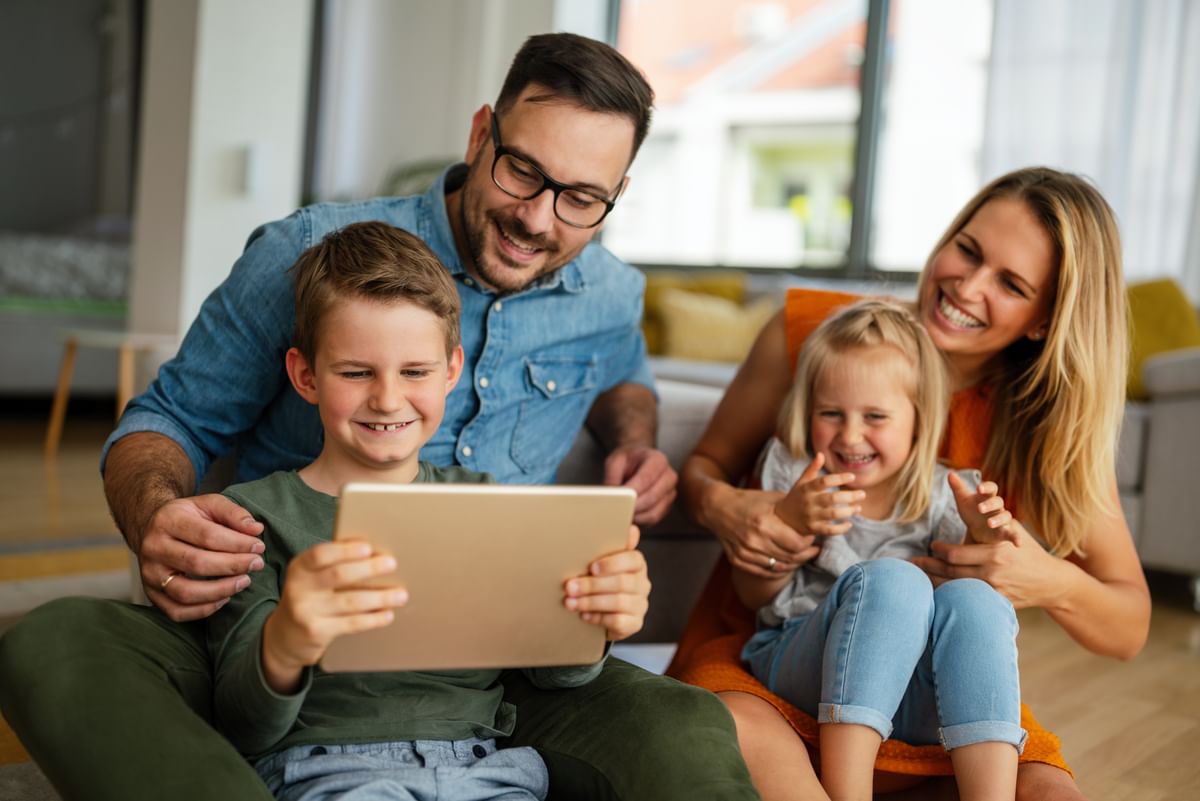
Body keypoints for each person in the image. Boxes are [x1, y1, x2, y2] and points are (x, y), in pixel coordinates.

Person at [0, 33, 759, 801]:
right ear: (479, 134)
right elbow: (171, 418)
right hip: (275, 642)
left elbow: (623, 372)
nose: (536, 217)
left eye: (581, 198)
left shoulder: (606, 292)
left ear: (614, 195)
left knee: (683, 721)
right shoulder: (305, 255)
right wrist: (156, 515)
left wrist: (637, 443)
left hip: (493, 674)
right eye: (522, 170)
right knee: (54, 642)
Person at [670, 166, 1151, 801]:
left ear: (1044, 319)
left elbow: (1129, 626)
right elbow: (703, 466)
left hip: (930, 687)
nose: (967, 286)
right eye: (968, 250)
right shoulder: (818, 336)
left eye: (1010, 283)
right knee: (758, 722)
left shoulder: (1045, 424)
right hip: (775, 664)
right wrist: (726, 504)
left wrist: (1044, 578)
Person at [209, 220, 651, 800]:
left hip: (487, 769)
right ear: (305, 375)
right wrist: (286, 639)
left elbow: (556, 675)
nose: (388, 398)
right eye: (356, 372)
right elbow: (240, 723)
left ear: (450, 372)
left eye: (414, 372)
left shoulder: (485, 505)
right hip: (328, 769)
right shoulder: (253, 517)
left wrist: (594, 620)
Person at [736, 299, 1024, 801]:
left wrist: (983, 541)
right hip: (803, 663)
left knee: (978, 601)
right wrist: (788, 524)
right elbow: (754, 593)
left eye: (874, 416)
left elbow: (965, 625)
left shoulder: (948, 494)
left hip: (911, 693)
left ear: (918, 419)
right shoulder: (797, 472)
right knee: (894, 578)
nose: (850, 435)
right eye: (831, 413)